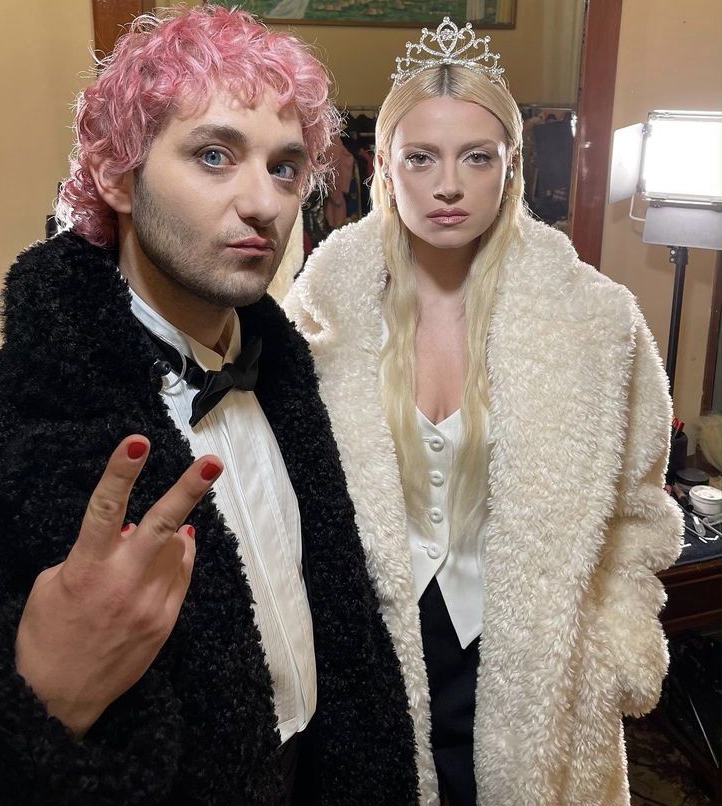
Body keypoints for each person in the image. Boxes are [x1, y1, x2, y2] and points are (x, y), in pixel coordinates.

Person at [0, 8, 422, 804]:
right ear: (117, 177)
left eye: (285, 168)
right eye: (214, 155)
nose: (264, 203)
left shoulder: (289, 379)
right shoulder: (4, 421)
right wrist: (44, 692)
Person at [285, 16, 683, 806]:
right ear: (384, 167)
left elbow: (640, 512)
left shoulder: (596, 323)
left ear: (512, 167)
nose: (448, 185)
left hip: (538, 675)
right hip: (369, 670)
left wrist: (616, 651)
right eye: (421, 157)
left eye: (477, 157)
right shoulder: (318, 316)